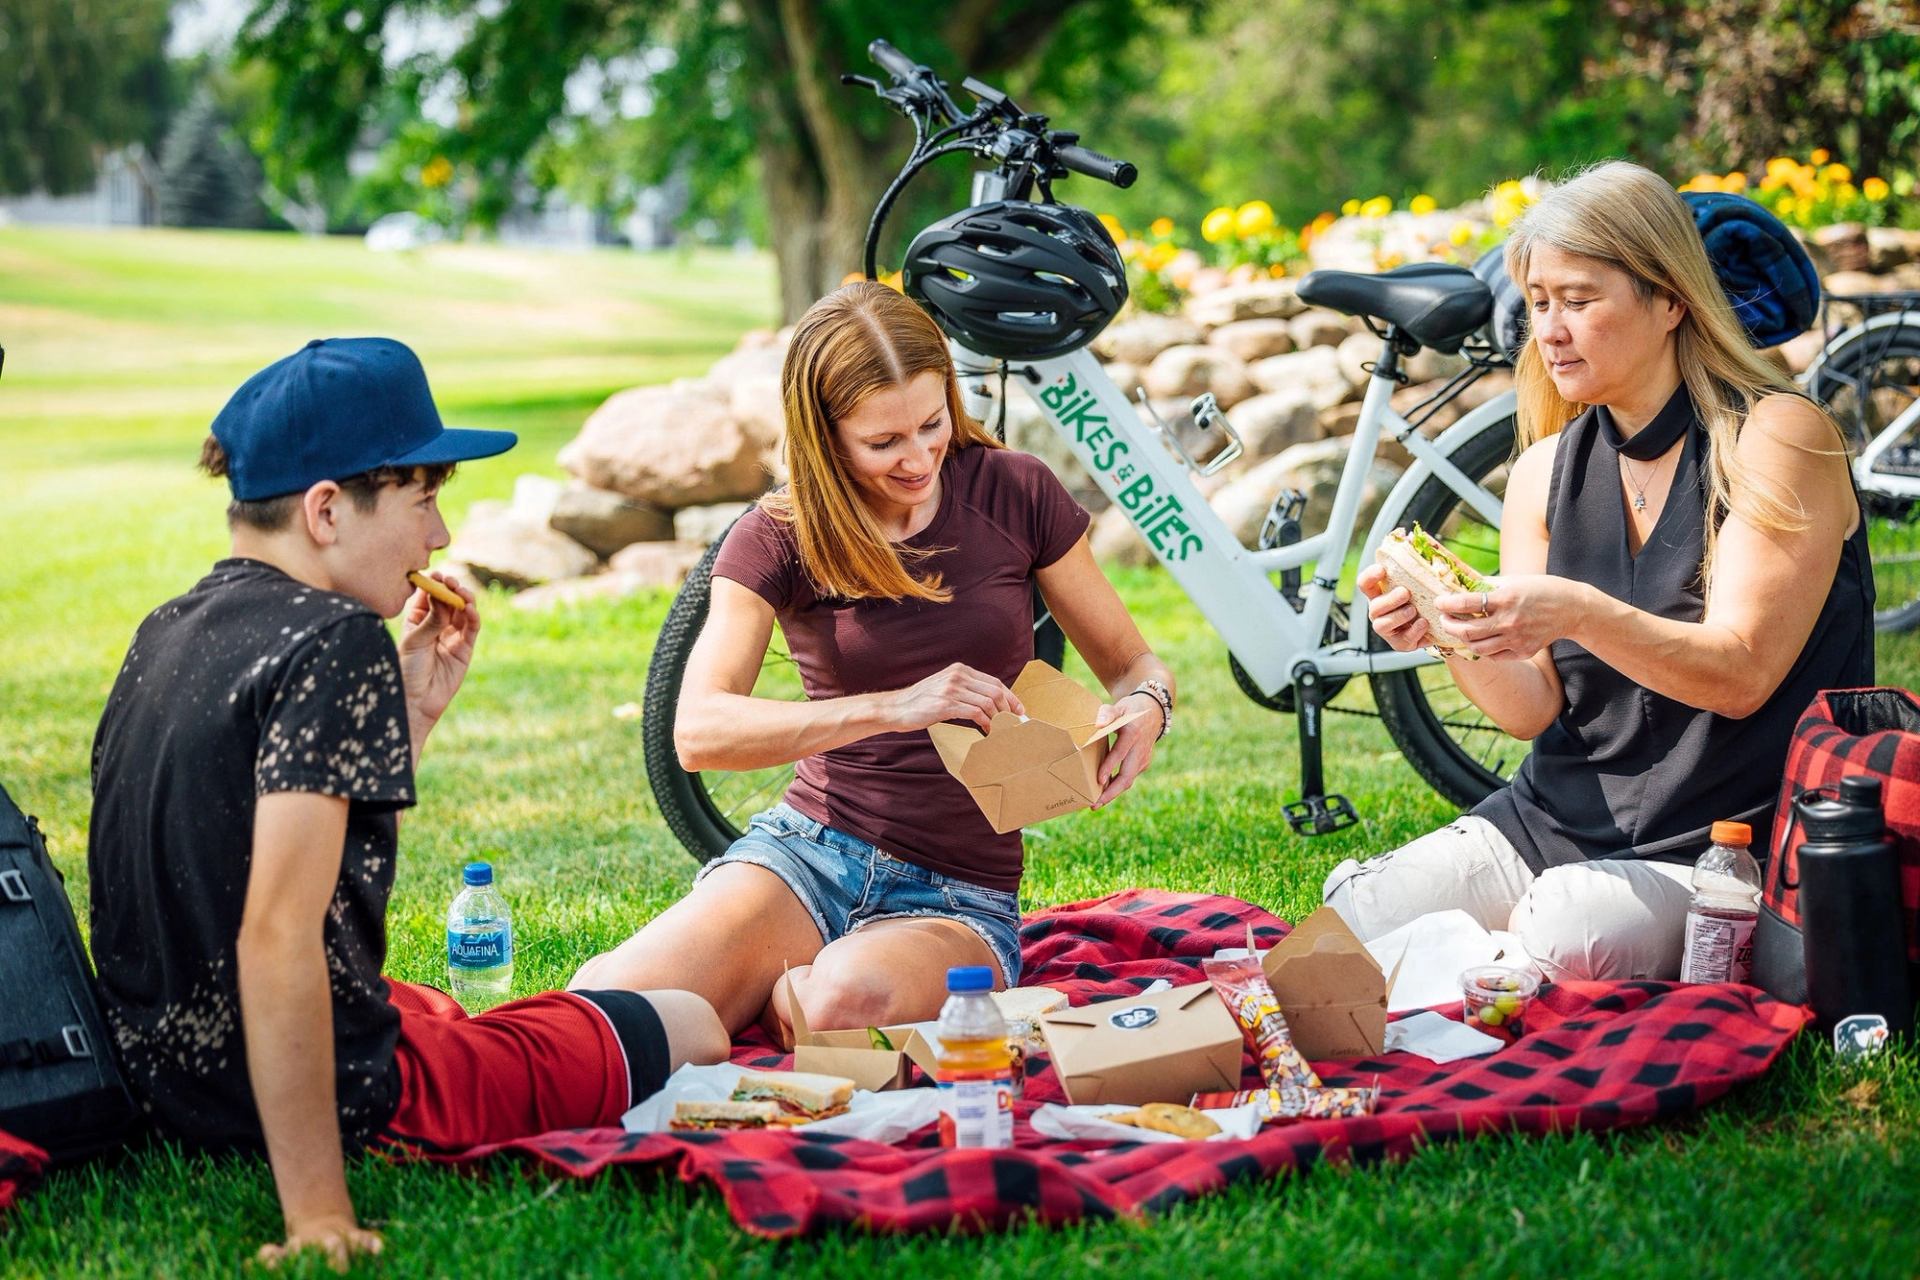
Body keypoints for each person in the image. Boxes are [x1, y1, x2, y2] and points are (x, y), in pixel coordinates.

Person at [87, 338, 729, 1271]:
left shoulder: (170, 627)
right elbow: (276, 937)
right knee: (688, 1022)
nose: (438, 536)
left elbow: (227, 856)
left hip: (162, 1074)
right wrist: (316, 1215)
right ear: (325, 510)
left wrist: (411, 710)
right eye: (424, 498)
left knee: (435, 1004)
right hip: (315, 1095)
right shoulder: (333, 640)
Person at [570, 282, 1175, 1036]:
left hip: (958, 894)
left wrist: (1150, 707)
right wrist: (897, 705)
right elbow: (697, 731)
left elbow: (1133, 664)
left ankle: (771, 995)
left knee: (842, 999)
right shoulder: (776, 535)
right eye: (884, 443)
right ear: (825, 438)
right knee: (610, 1009)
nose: (920, 458)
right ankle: (759, 984)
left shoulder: (1015, 491)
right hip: (806, 855)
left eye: (932, 424)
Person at [1326, 162, 1872, 981]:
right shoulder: (1544, 472)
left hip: (1727, 847)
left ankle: (1481, 970)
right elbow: (1530, 707)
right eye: (1539, 303)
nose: (1550, 329)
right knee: (1353, 915)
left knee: (1567, 929)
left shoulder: (1776, 437)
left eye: (1579, 300)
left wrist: (1577, 610)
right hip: (1551, 820)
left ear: (1670, 300)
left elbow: (1742, 674)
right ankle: (1482, 968)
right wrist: (1447, 633)